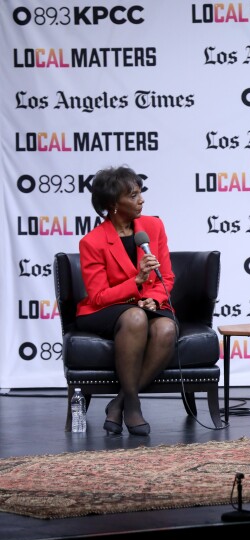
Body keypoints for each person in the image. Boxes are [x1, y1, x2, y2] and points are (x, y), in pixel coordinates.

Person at [75, 165, 177, 436]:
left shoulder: (153, 227)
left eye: (140, 193)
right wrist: (137, 283)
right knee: (135, 317)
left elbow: (166, 276)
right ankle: (133, 405)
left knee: (166, 328)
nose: (141, 200)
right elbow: (98, 296)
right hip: (105, 310)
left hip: (146, 303)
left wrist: (154, 300)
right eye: (132, 196)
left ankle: (118, 401)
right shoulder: (92, 242)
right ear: (113, 204)